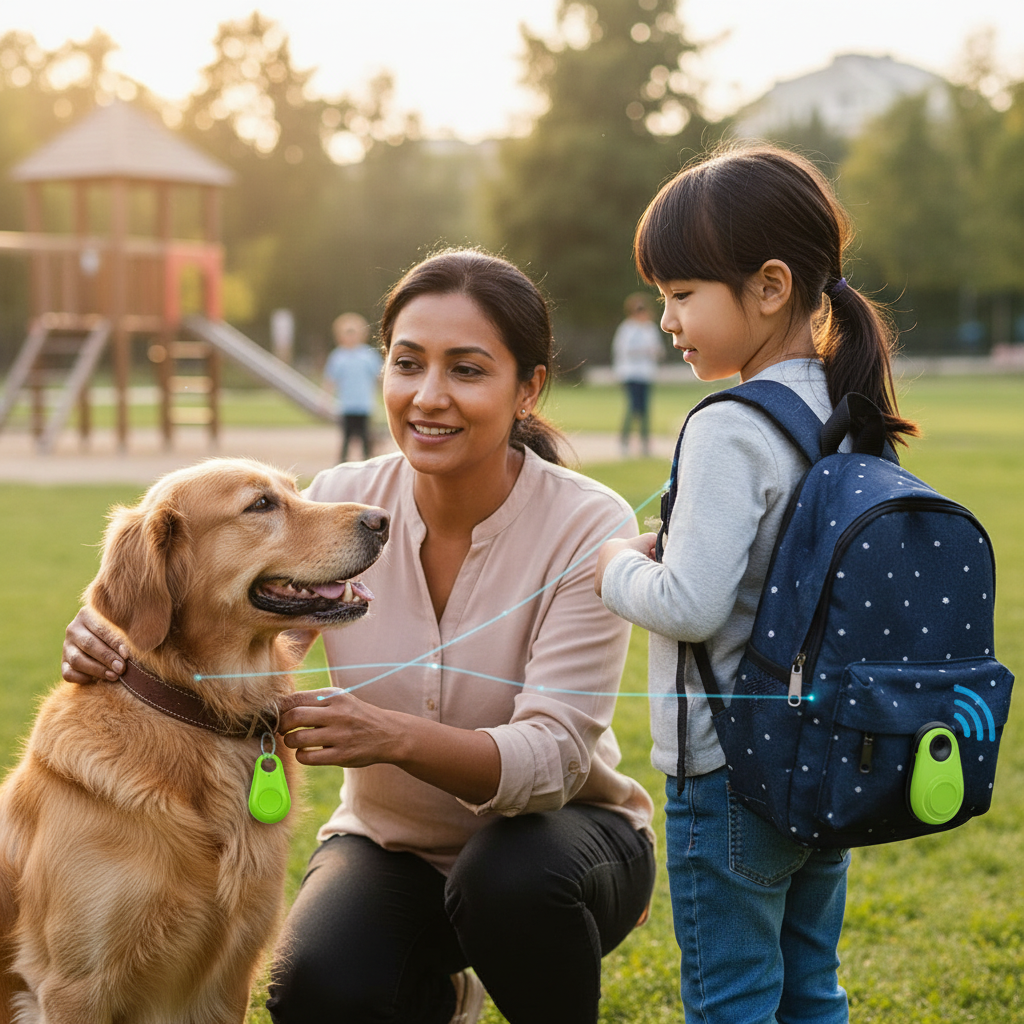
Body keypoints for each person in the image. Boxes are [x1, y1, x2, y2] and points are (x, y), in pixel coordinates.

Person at [62, 249, 657, 1024]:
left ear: (528, 388)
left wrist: (392, 735)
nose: (427, 397)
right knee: (315, 987)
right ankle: (442, 991)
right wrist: (109, 628)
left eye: (467, 370)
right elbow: (231, 610)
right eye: (407, 364)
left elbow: (551, 761)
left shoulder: (588, 522)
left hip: (560, 842)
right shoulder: (342, 506)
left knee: (506, 881)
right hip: (390, 846)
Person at [594, 145, 919, 1024]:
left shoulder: (730, 428)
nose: (667, 320)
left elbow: (693, 606)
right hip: (827, 757)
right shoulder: (848, 412)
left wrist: (616, 566)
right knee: (811, 990)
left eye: (682, 294)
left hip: (727, 769)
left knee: (732, 1002)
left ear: (770, 286)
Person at [323, 311, 384, 462]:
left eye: (354, 333)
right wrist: (325, 398)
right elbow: (331, 380)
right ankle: (341, 464)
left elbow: (380, 377)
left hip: (364, 405)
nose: (351, 337)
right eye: (347, 333)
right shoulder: (338, 357)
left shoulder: (368, 355)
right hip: (346, 405)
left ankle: (369, 463)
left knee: (365, 437)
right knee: (346, 437)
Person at [611, 292, 664, 457]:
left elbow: (658, 350)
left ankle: (645, 443)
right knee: (633, 408)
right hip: (631, 374)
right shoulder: (627, 329)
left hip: (646, 374)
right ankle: (625, 441)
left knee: (645, 409)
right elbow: (622, 351)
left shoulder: (650, 329)